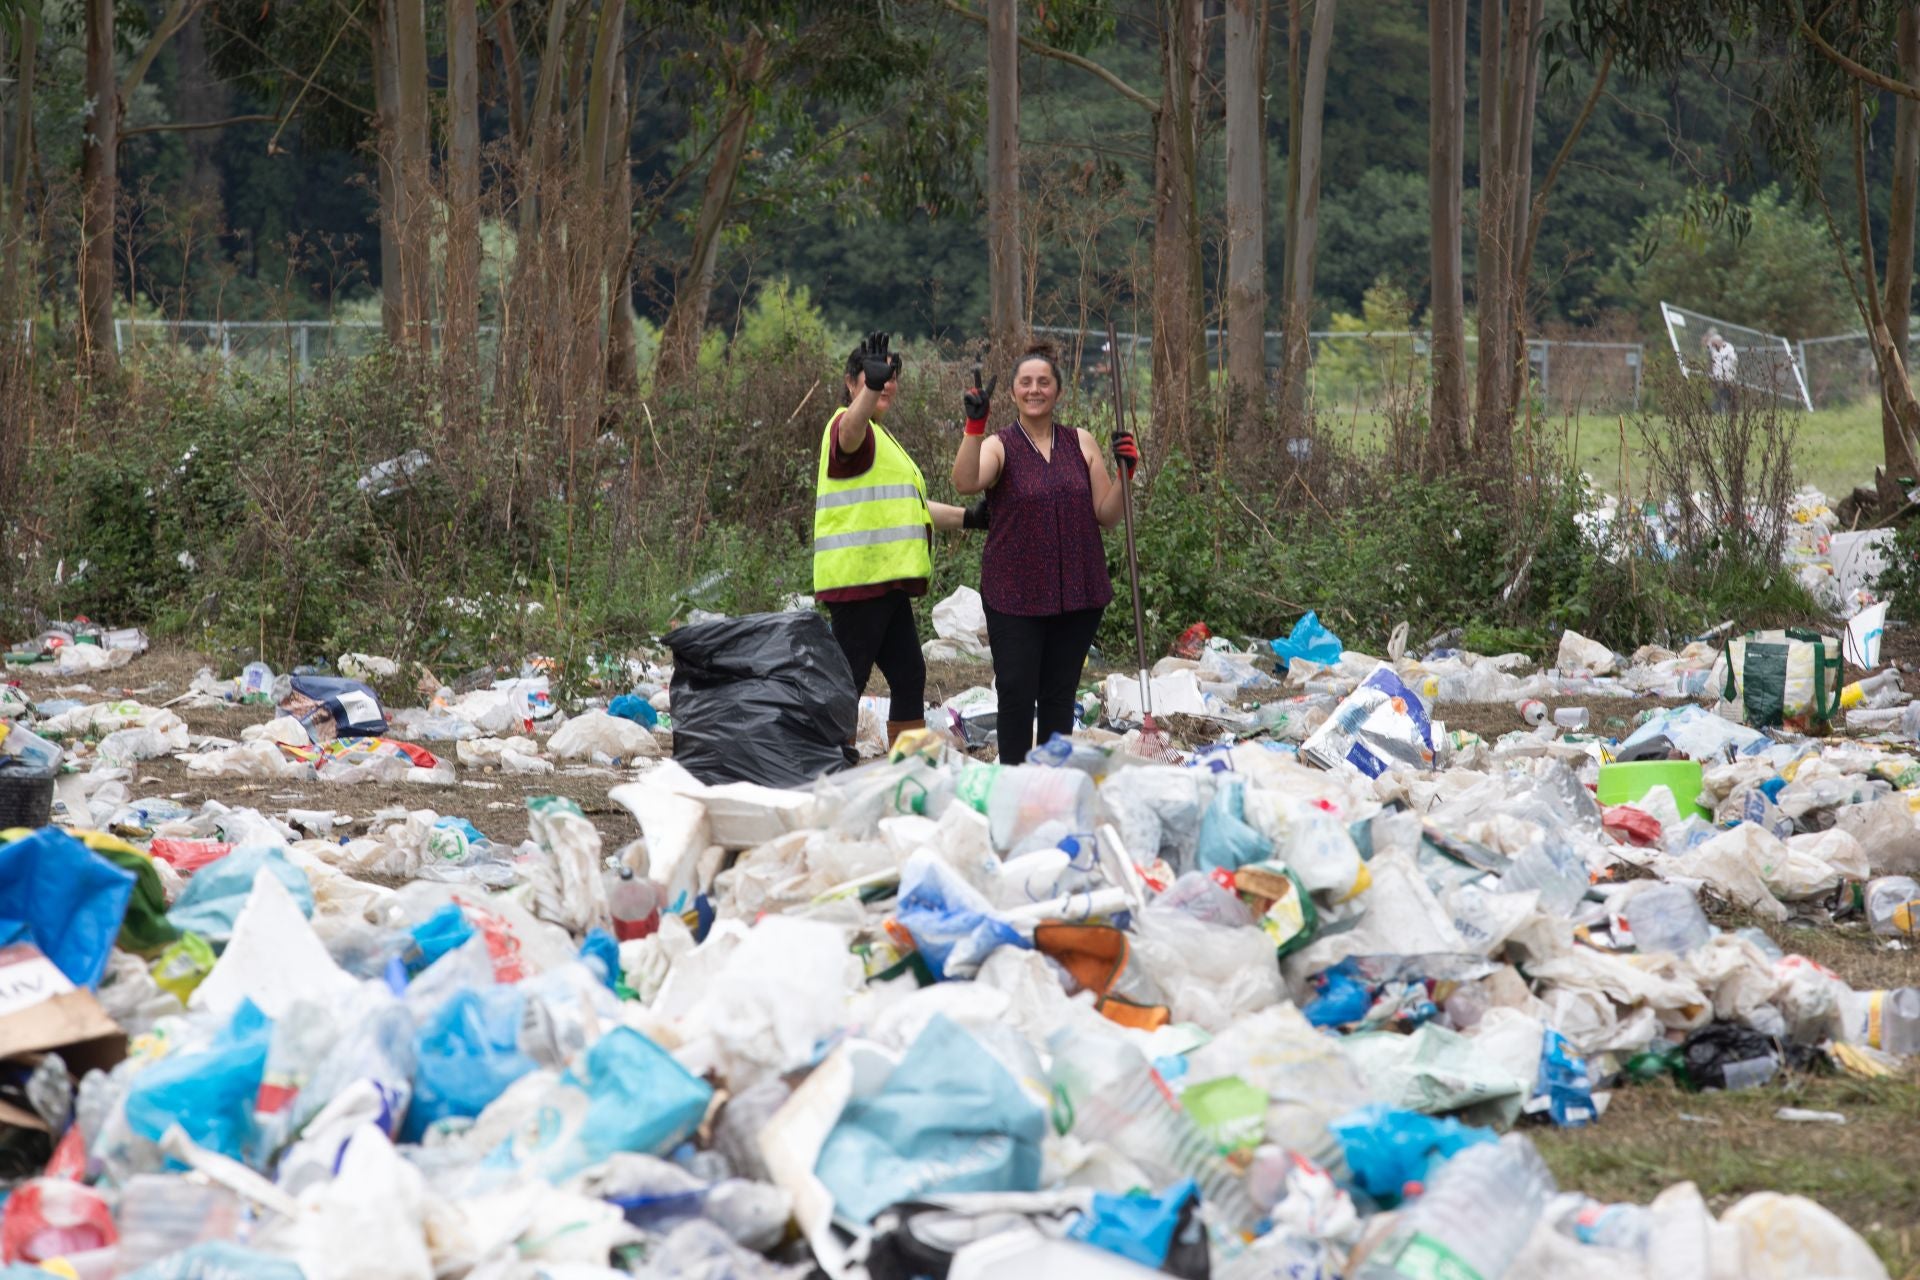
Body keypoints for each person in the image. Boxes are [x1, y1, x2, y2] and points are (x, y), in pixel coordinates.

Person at [952, 341, 1140, 764]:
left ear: (1057, 391)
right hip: (1014, 593)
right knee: (1016, 690)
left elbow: (1107, 515)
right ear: (1014, 392)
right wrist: (973, 425)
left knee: (1059, 696)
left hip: (1077, 591)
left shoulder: (1082, 442)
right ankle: (1015, 781)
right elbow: (965, 482)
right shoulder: (1000, 445)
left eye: (1043, 382)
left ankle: (1052, 783)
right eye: (1025, 382)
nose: (1034, 389)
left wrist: (1127, 473)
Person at [815, 331, 983, 747]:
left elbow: (915, 507)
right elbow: (848, 434)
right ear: (852, 382)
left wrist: (971, 518)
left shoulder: (883, 438)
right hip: (860, 581)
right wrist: (869, 391)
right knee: (847, 680)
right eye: (875, 374)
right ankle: (826, 760)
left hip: (886, 583)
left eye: (891, 376)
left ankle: (908, 763)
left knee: (909, 674)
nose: (887, 382)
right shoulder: (849, 426)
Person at [1705, 329, 1738, 413]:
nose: (1713, 346)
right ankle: (1719, 408)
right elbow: (1705, 343)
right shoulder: (1713, 347)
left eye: (1715, 344)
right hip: (1717, 375)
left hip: (1728, 374)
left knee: (1726, 392)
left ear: (1719, 342)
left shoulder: (1728, 347)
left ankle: (1719, 408)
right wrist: (1709, 334)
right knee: (1721, 392)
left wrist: (1731, 372)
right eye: (1713, 344)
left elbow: (1734, 360)